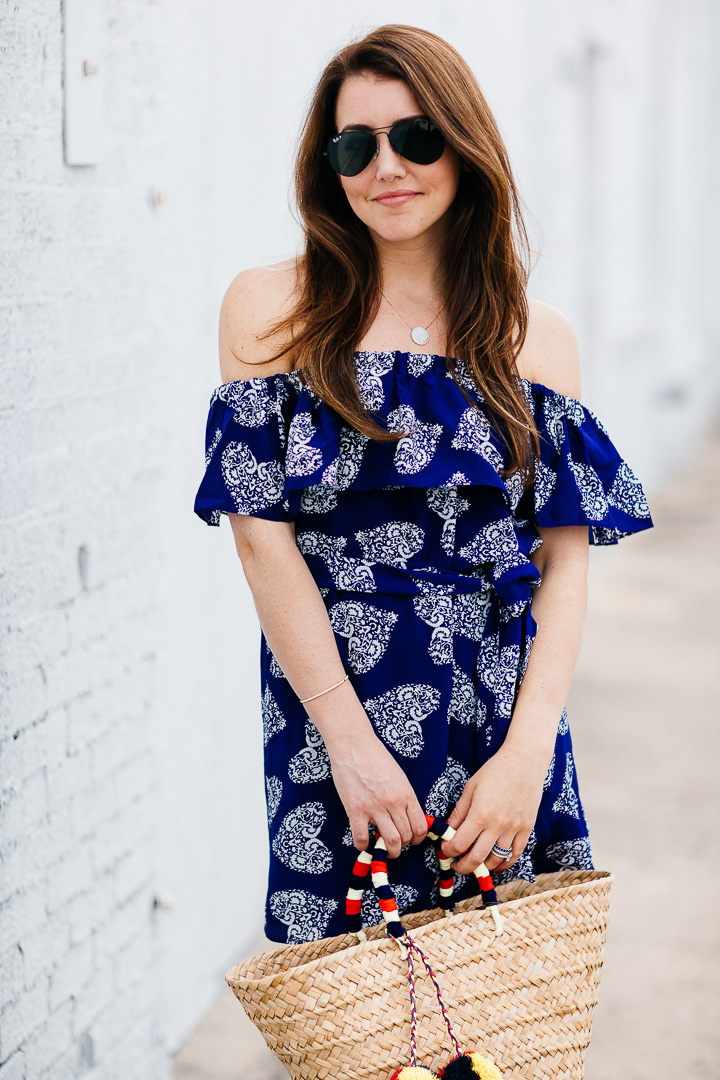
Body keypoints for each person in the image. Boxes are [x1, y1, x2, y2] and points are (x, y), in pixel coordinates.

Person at [193, 24, 653, 946]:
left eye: (415, 137)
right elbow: (260, 539)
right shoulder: (271, 310)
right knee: (359, 1009)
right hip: (337, 710)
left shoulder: (535, 336)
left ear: (463, 143)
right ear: (329, 166)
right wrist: (351, 749)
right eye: (355, 145)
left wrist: (528, 755)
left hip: (502, 714)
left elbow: (562, 564)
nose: (385, 167)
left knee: (504, 1010)